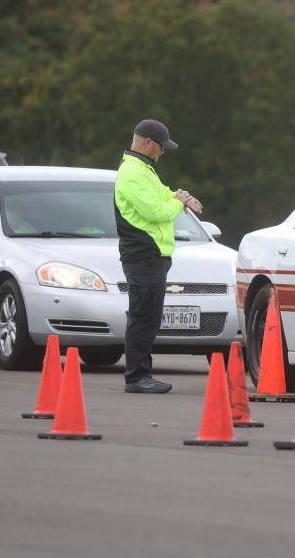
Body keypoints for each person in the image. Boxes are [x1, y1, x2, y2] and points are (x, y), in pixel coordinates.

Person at [114, 119, 202, 394]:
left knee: (149, 316)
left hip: (152, 256)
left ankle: (141, 374)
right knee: (143, 317)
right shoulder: (132, 173)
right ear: (148, 143)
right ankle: (137, 377)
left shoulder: (144, 169)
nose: (163, 151)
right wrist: (178, 203)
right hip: (143, 256)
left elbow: (163, 194)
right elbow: (156, 211)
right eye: (161, 146)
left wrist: (178, 196)